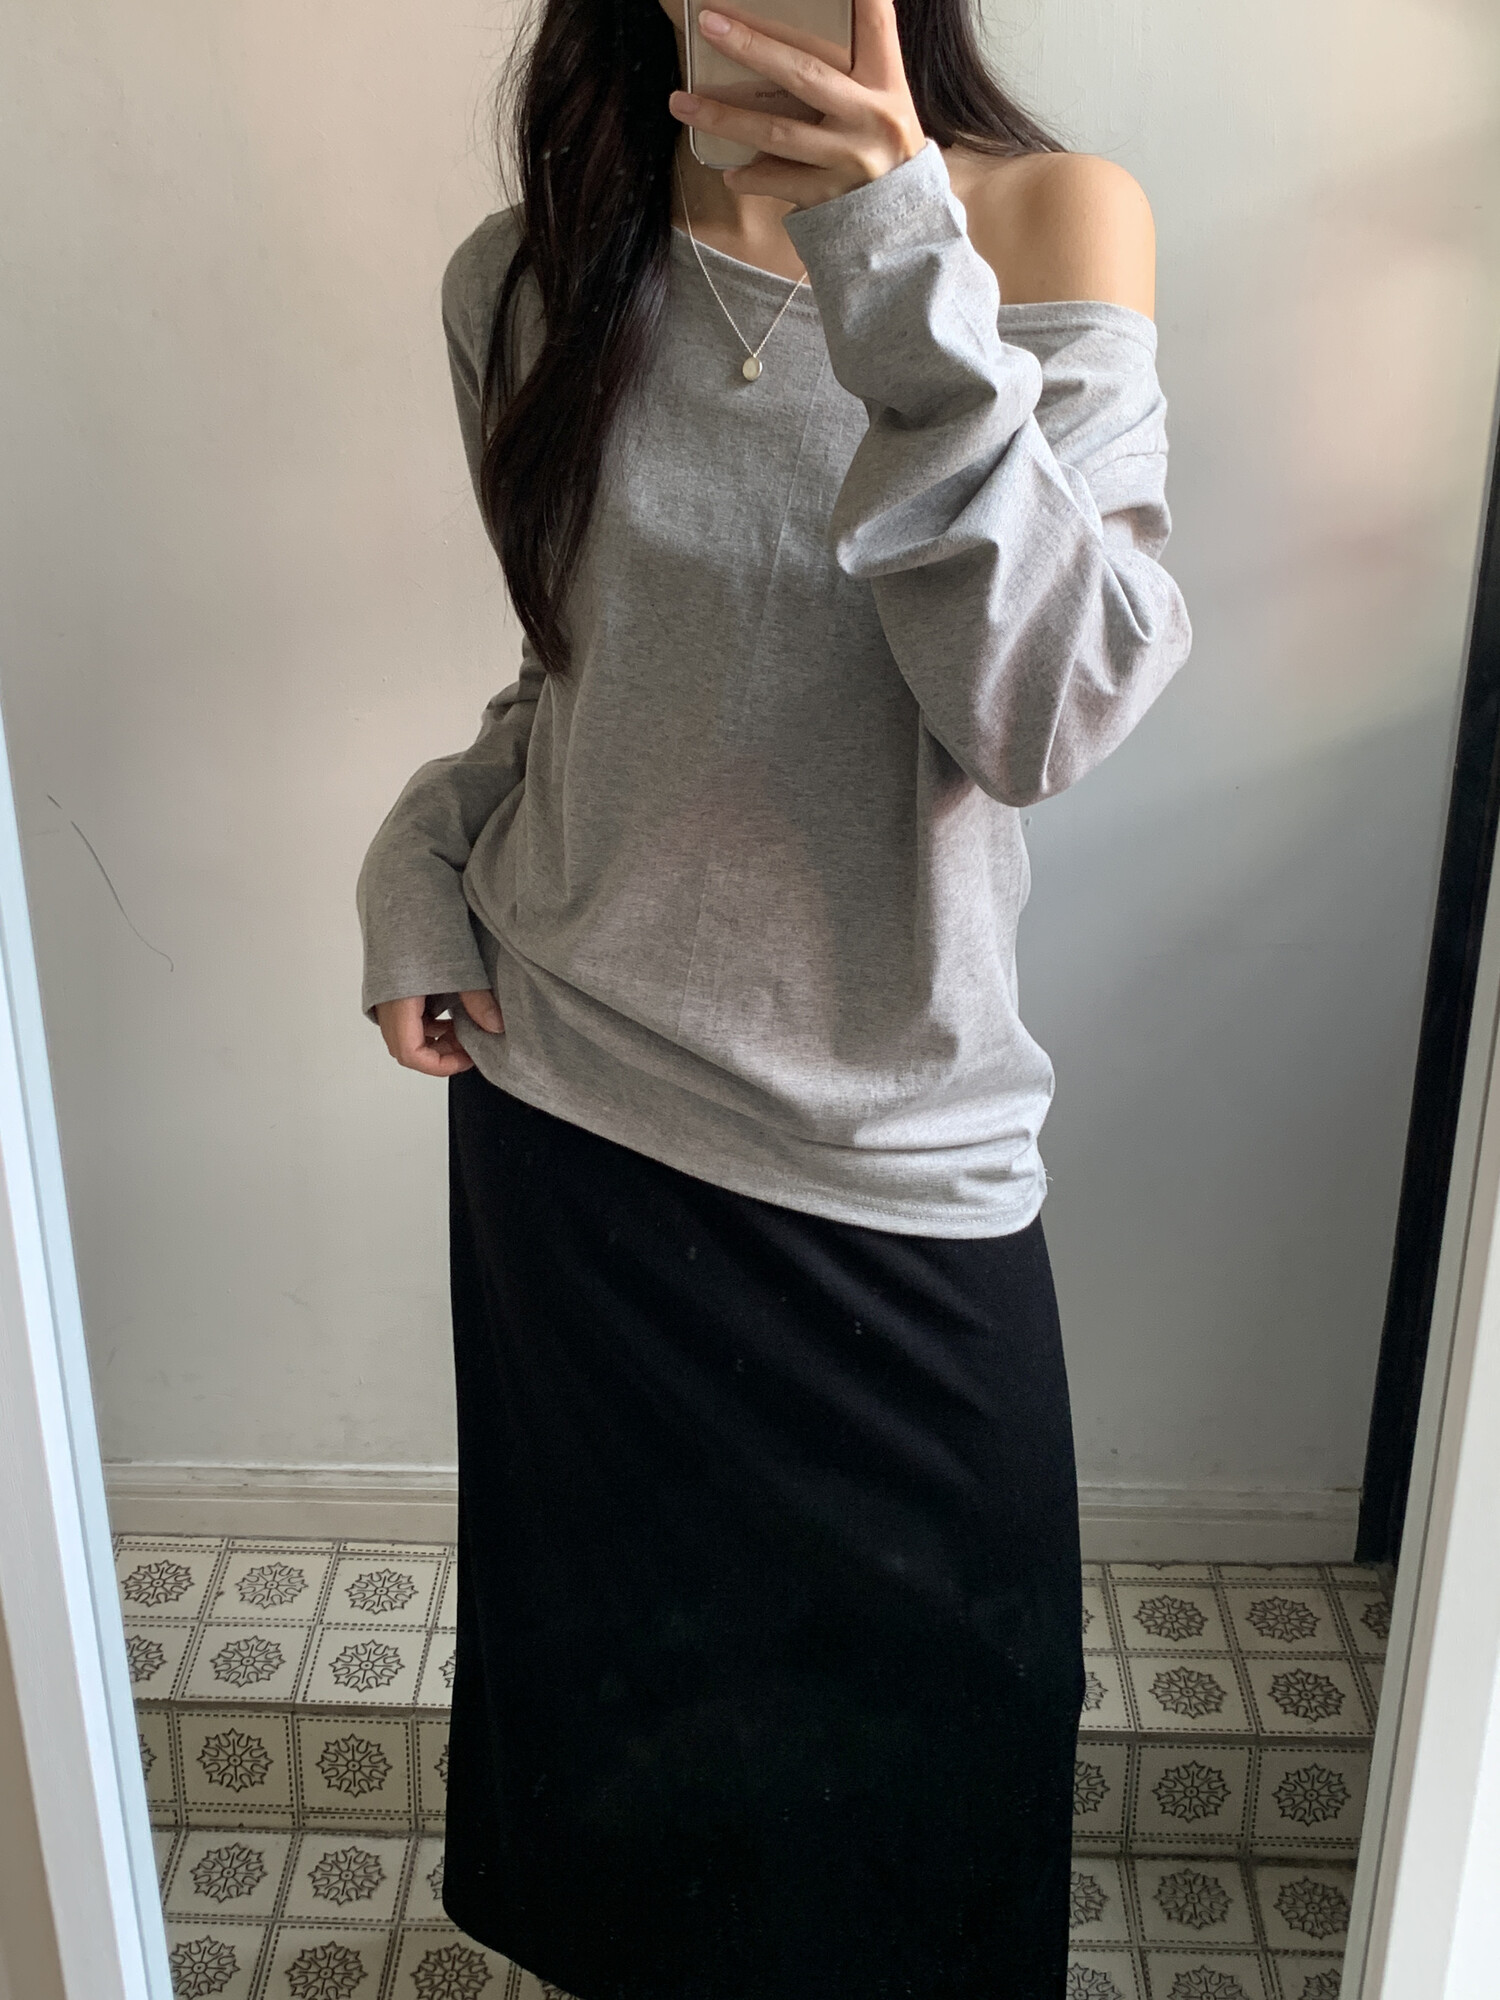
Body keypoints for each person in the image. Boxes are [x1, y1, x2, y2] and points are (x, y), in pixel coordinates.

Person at [357, 0, 1190, 1990]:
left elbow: (1047, 711)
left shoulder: (1050, 223)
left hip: (898, 1173)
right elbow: (585, 683)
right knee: (630, 1805)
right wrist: (423, 856)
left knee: (937, 1826)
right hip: (575, 1143)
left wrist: (894, 260)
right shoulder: (529, 275)